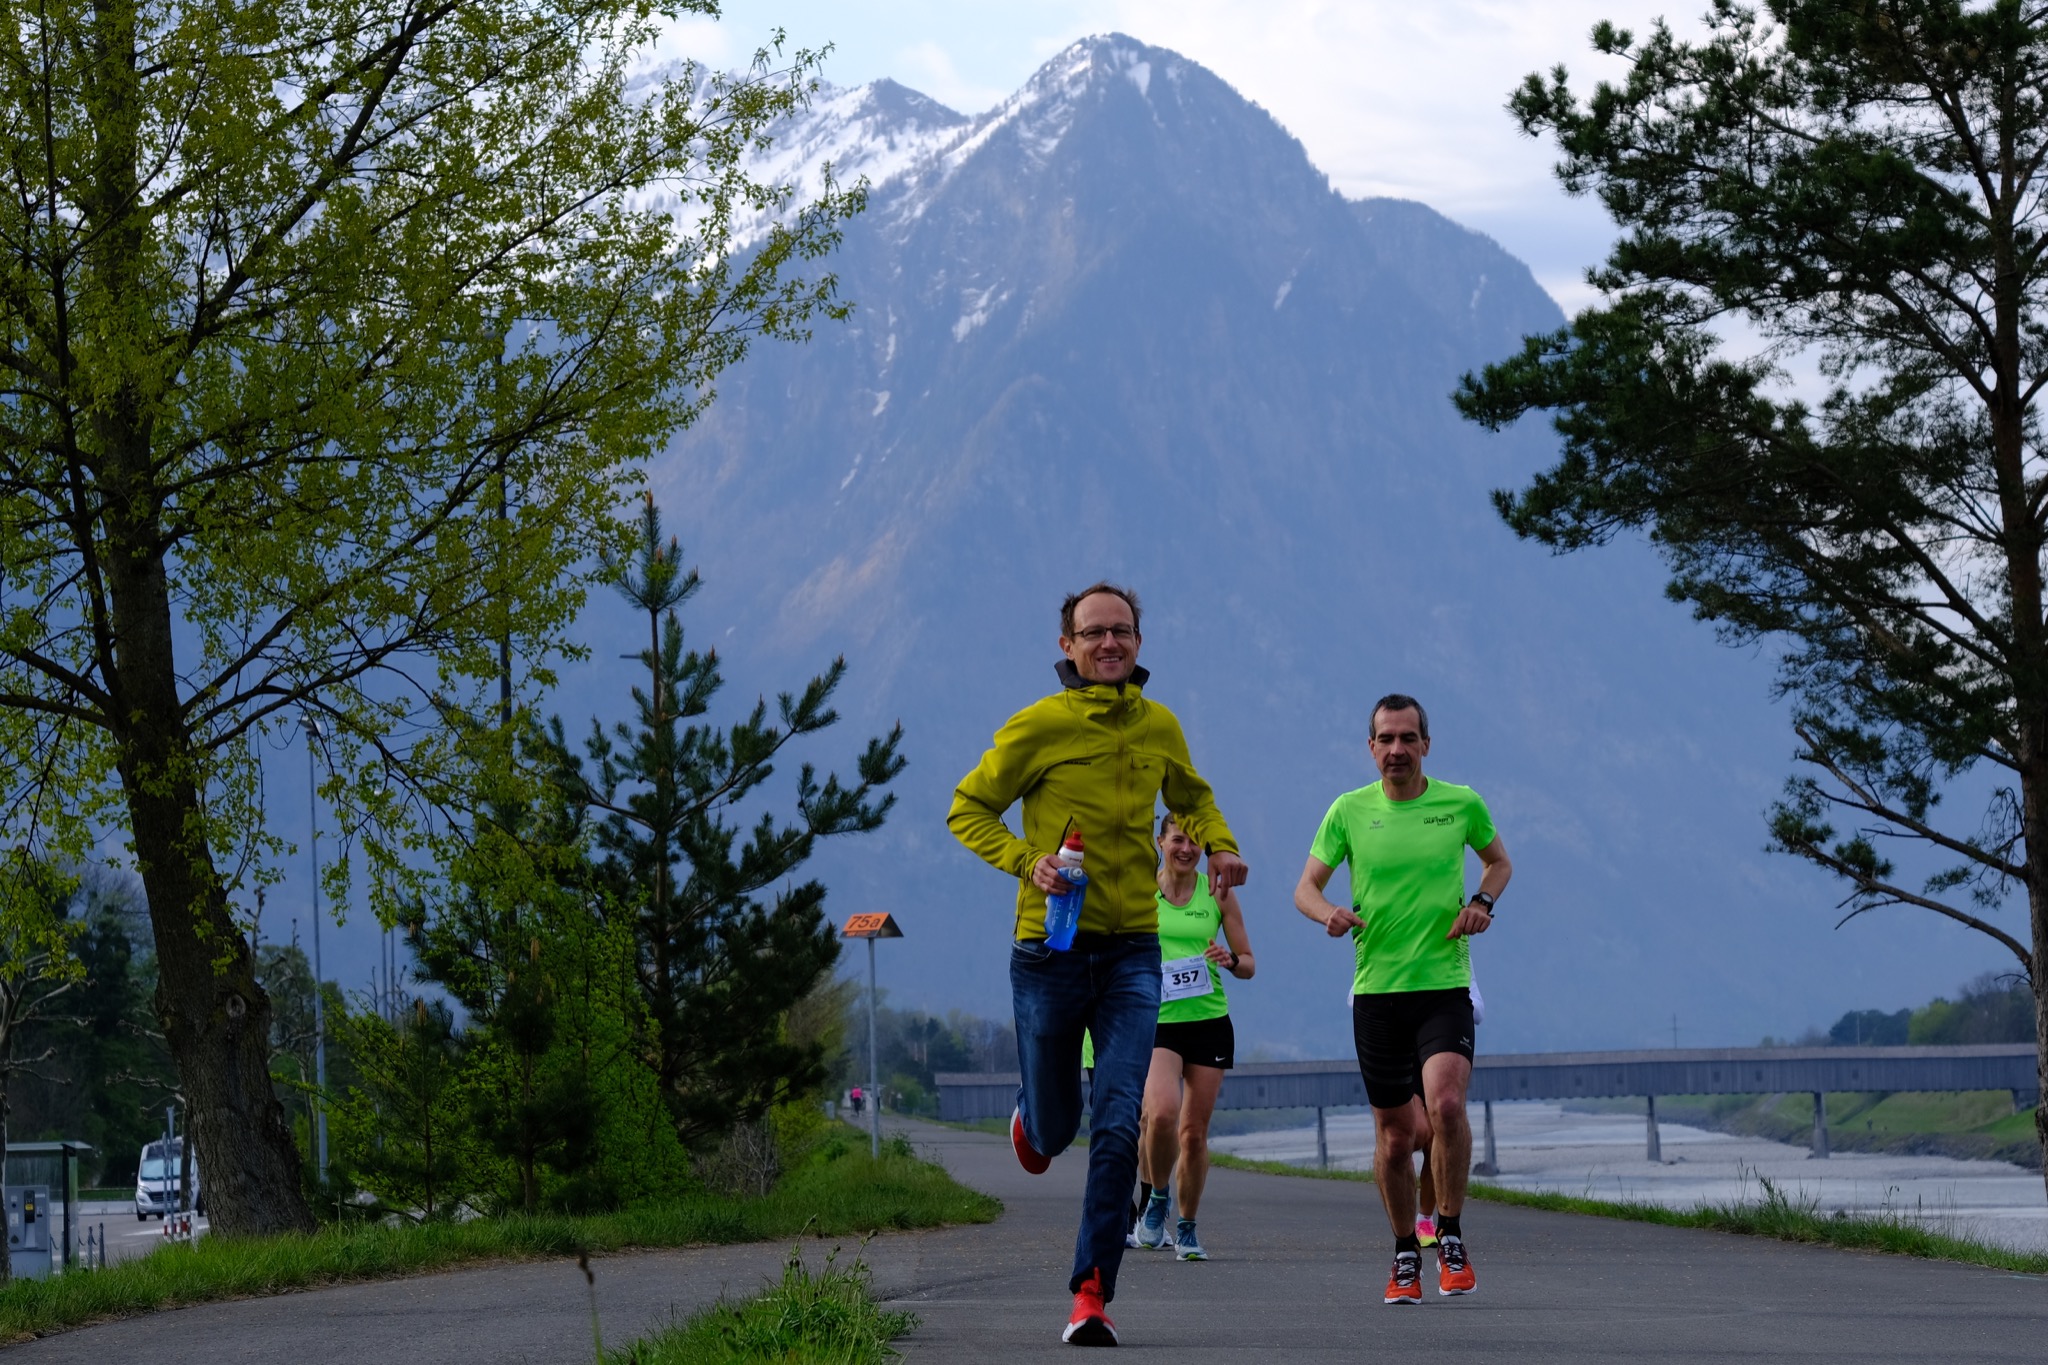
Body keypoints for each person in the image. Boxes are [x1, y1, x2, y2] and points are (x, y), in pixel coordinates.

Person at [950, 582, 1246, 1346]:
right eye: (1093, 632)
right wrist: (1028, 861)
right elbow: (967, 807)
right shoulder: (1039, 724)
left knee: (1123, 1120)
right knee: (1055, 1131)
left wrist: (1220, 844)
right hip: (1049, 949)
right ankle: (1034, 1115)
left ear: (1139, 643)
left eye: (1122, 631)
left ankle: (1091, 1291)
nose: (1109, 643)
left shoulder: (1159, 725)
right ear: (1068, 645)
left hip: (1132, 952)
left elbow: (1194, 794)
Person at [1293, 694, 1510, 1305]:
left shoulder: (1460, 803)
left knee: (1444, 1105)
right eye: (1385, 739)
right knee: (1393, 1139)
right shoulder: (1348, 811)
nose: (1396, 750)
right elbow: (1305, 887)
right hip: (1377, 993)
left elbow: (1499, 864)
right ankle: (1403, 1253)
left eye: (1407, 738)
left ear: (1425, 745)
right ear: (1371, 748)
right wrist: (1328, 914)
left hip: (1443, 984)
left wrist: (1481, 905)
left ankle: (1450, 1231)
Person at [1133, 814, 1254, 1261]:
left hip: (1208, 1020)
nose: (1186, 849)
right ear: (1161, 842)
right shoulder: (1142, 892)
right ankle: (1157, 1197)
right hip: (1157, 1021)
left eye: (1195, 843)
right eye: (1177, 840)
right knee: (1161, 1114)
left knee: (1193, 1133)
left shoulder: (1217, 893)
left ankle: (1186, 1228)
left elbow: (1248, 963)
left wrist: (1229, 959)